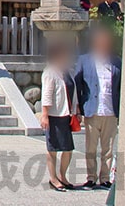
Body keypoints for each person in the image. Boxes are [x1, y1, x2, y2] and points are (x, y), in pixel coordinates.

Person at [75, 25, 122, 190]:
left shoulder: (116, 62)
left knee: (108, 148)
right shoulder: (85, 60)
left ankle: (105, 178)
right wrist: (79, 107)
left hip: (110, 111)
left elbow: (121, 86)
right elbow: (77, 84)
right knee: (91, 147)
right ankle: (91, 177)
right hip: (92, 109)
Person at [41, 41, 78, 192]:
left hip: (67, 114)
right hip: (54, 115)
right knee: (53, 148)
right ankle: (53, 178)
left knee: (68, 148)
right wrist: (44, 114)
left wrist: (76, 111)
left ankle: (63, 176)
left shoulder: (68, 71)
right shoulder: (50, 72)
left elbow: (73, 93)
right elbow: (47, 94)